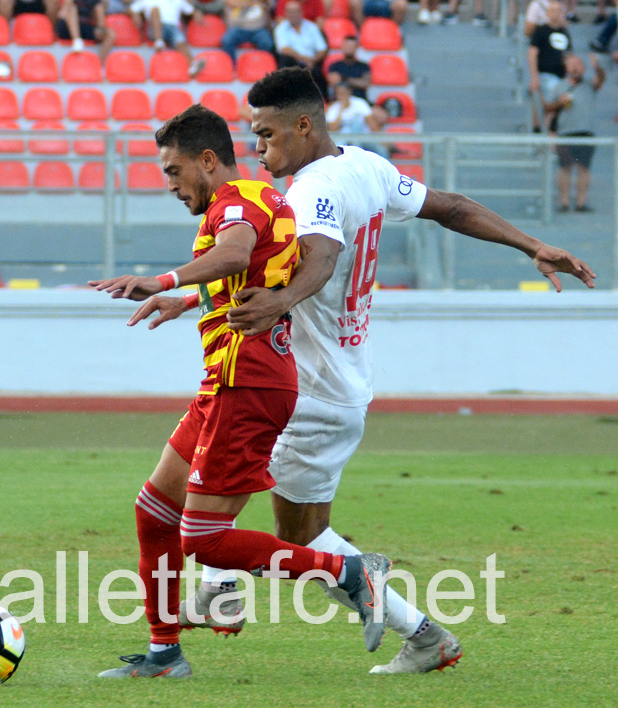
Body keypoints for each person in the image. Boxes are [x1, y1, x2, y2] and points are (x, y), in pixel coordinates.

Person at [172, 67, 595, 674]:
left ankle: (228, 590)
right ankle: (415, 636)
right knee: (280, 518)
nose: (258, 149)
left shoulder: (310, 190)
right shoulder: (366, 167)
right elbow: (450, 207)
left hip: (304, 390)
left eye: (265, 135)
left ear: (303, 125)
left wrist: (281, 302)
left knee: (258, 522)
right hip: (343, 388)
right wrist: (530, 244)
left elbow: (319, 256)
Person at [90, 104, 394, 679]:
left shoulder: (237, 203)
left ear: (208, 161)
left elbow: (231, 255)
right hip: (229, 382)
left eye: (174, 173)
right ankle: (163, 654)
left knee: (203, 539)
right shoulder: (255, 201)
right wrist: (185, 300)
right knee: (155, 511)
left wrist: (164, 279)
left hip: (250, 385)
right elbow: (252, 272)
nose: (171, 187)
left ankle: (350, 574)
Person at [543, 54, 605, 212]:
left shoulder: (588, 85)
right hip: (565, 131)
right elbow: (548, 107)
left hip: (586, 131)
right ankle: (564, 202)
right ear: (566, 68)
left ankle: (581, 202)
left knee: (584, 168)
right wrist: (560, 102)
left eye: (579, 64)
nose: (576, 68)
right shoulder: (559, 86)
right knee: (565, 167)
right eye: (572, 65)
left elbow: (601, 78)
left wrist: (597, 66)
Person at [129, 0, 206, 76]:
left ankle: (193, 64)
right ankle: (158, 41)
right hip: (155, 28)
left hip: (173, 28)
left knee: (181, 42)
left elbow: (191, 10)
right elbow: (132, 9)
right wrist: (135, 15)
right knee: (155, 10)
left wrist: (196, 13)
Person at [528, 1, 570, 133]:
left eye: (558, 11)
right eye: (553, 11)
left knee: (556, 110)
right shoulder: (541, 31)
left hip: (561, 77)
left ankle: (547, 138)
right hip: (545, 75)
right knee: (548, 108)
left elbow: (569, 55)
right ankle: (542, 136)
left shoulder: (564, 32)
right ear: (547, 13)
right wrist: (534, 77)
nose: (555, 14)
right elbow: (532, 53)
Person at [274, 0, 327, 96]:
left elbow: (322, 49)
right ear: (285, 13)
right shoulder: (281, 28)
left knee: (317, 72)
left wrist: (313, 60)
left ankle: (324, 100)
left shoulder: (312, 27)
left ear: (301, 12)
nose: (292, 15)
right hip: (293, 62)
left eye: (295, 11)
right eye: (289, 12)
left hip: (312, 62)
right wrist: (303, 59)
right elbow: (284, 49)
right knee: (284, 60)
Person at [325, 35, 370, 101]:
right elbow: (335, 83)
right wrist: (355, 81)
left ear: (357, 48)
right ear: (342, 46)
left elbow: (365, 84)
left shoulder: (364, 66)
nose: (349, 48)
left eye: (352, 46)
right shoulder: (334, 66)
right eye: (347, 46)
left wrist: (344, 79)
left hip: (360, 101)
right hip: (340, 101)